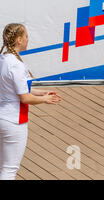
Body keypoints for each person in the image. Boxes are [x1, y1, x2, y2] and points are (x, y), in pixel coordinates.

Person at [0, 23, 61, 180]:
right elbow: (25, 97)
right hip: (14, 121)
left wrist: (42, 92)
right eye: (26, 36)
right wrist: (45, 99)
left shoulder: (3, 60)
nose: (28, 39)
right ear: (19, 40)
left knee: (3, 167)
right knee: (9, 170)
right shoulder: (16, 65)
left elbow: (18, 89)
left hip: (2, 117)